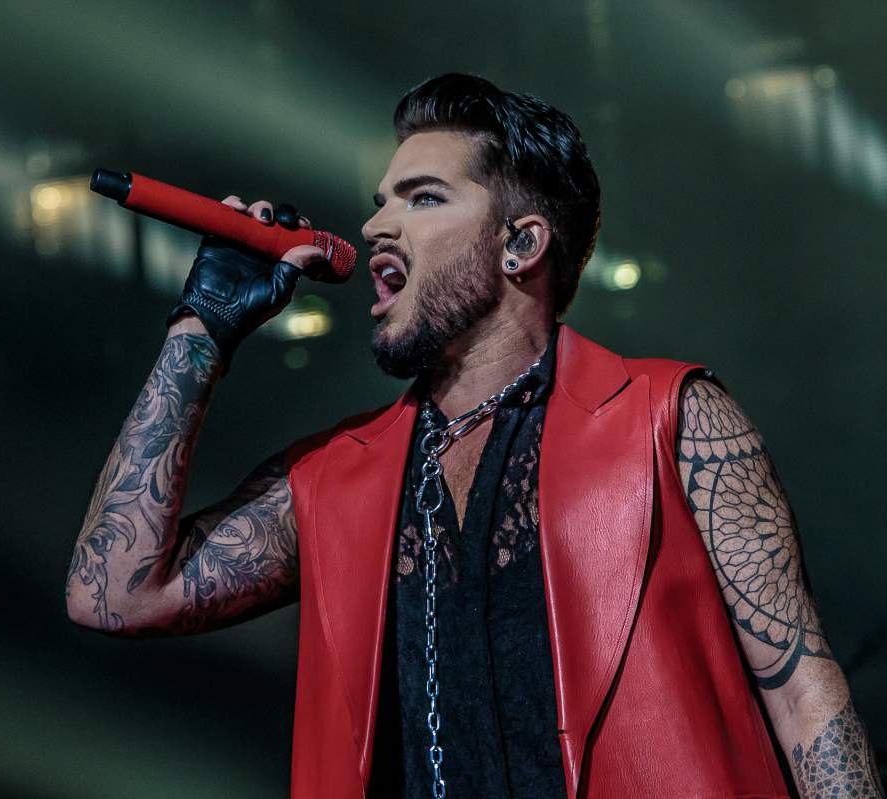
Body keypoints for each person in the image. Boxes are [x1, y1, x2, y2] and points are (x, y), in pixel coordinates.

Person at [65, 73, 883, 798]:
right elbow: (114, 594)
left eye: (422, 198)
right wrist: (200, 328)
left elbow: (803, 691)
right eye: (381, 198)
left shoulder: (672, 418)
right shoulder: (334, 476)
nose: (379, 224)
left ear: (521, 243)